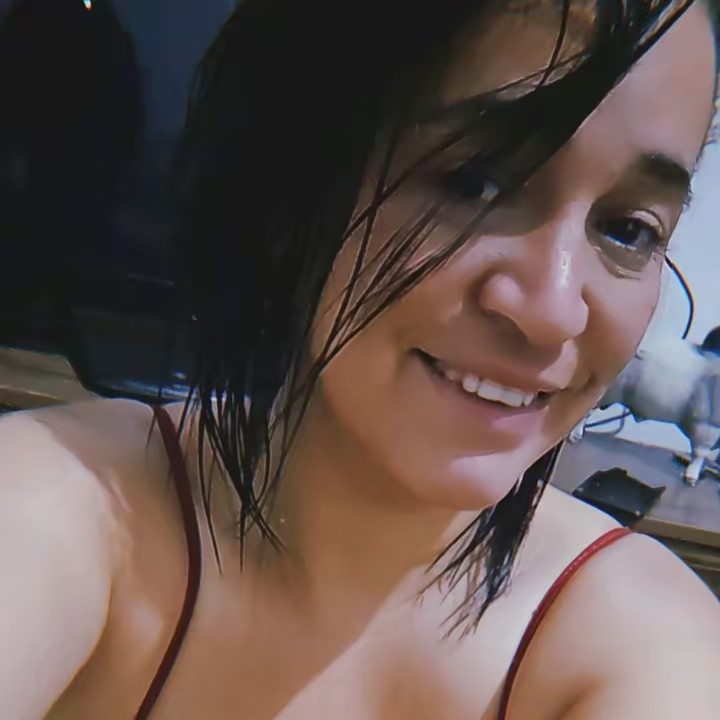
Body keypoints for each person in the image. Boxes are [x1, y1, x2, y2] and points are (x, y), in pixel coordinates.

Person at [1, 0, 720, 718]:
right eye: (474, 182)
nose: (554, 310)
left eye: (628, 229)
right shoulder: (57, 508)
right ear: (289, 184)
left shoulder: (650, 647)